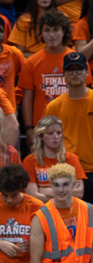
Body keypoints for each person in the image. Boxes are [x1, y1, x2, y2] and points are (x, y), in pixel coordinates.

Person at [30, 163, 93, 263]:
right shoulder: (41, 216)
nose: (61, 189)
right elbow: (34, 260)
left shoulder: (89, 210)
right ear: (50, 186)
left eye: (65, 184)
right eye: (56, 185)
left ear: (73, 184)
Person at [20, 9, 76, 139]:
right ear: (41, 33)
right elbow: (27, 98)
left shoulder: (75, 59)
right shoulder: (31, 62)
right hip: (43, 128)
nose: (51, 35)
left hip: (72, 126)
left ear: (64, 32)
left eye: (56, 30)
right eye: (47, 30)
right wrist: (29, 129)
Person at [45, 51, 93, 198]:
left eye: (78, 69)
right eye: (70, 70)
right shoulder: (53, 107)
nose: (74, 73)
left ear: (86, 72)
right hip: (67, 172)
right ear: (64, 74)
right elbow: (44, 142)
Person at [23, 114, 86, 201]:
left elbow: (79, 193)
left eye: (59, 133)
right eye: (50, 133)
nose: (55, 137)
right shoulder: (30, 161)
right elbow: (33, 196)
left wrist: (43, 190)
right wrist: (65, 194)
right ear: (41, 136)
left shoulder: (71, 159)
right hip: (42, 210)